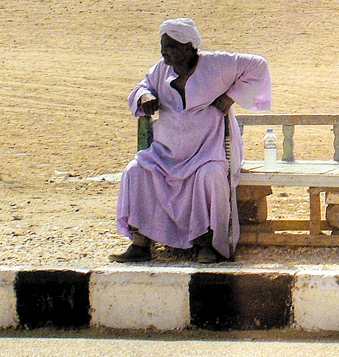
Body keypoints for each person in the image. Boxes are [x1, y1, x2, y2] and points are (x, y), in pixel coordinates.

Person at [113, 18, 272, 264]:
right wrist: (145, 96)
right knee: (135, 171)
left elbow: (258, 65)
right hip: (166, 153)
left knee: (211, 175)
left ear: (189, 47)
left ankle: (207, 243)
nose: (164, 51)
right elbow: (141, 87)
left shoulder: (218, 64)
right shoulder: (160, 70)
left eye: (171, 46)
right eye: (163, 45)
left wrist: (232, 96)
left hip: (208, 150)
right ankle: (140, 242)